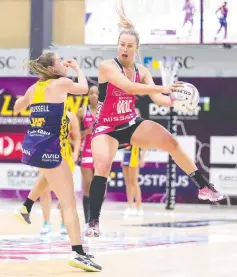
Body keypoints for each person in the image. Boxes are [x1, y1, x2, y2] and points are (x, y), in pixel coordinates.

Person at [85, 2, 223, 237]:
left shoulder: (143, 70)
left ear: (136, 48)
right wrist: (164, 86)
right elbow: (129, 87)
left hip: (129, 123)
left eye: (129, 46)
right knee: (103, 166)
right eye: (121, 45)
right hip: (106, 128)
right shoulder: (107, 66)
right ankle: (94, 223)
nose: (124, 49)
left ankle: (203, 186)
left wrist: (174, 100)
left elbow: (157, 98)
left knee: (171, 143)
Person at [13, 52, 101, 272]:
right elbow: (82, 88)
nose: (64, 63)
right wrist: (78, 69)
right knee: (69, 202)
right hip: (53, 147)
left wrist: (24, 101)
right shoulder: (61, 82)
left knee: (49, 178)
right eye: (60, 61)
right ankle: (78, 253)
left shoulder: (34, 89)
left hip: (33, 146)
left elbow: (17, 108)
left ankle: (26, 206)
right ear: (52, 69)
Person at [39, 111, 81, 236]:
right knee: (44, 189)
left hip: (65, 155)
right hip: (46, 154)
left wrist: (76, 153)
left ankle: (64, 223)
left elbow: (77, 137)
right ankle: (46, 223)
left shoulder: (71, 116)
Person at [77, 86, 98, 225]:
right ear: (88, 95)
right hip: (87, 151)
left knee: (99, 190)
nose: (94, 95)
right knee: (88, 187)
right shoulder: (82, 111)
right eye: (91, 93)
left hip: (101, 153)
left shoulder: (107, 111)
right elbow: (74, 133)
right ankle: (87, 222)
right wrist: (87, 132)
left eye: (97, 93)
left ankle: (96, 220)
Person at [122, 108, 146, 216]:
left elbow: (144, 144)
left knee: (134, 182)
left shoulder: (141, 127)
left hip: (135, 155)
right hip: (126, 155)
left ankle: (139, 207)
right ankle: (130, 205)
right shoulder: (125, 125)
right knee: (128, 182)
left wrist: (142, 158)